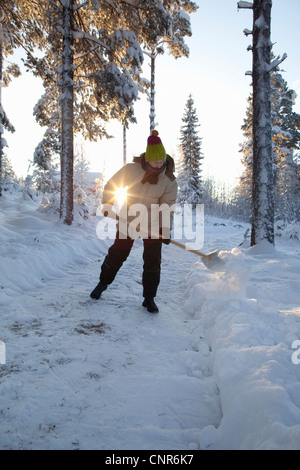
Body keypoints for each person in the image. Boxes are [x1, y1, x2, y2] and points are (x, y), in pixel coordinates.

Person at [90, 130, 178, 313]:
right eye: (155, 161)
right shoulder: (131, 170)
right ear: (147, 160)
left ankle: (149, 298)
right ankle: (102, 284)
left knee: (153, 261)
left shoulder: (169, 180)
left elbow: (167, 206)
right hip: (128, 219)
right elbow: (112, 185)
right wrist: (108, 203)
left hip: (152, 224)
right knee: (117, 254)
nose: (159, 165)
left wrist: (165, 230)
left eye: (161, 161)